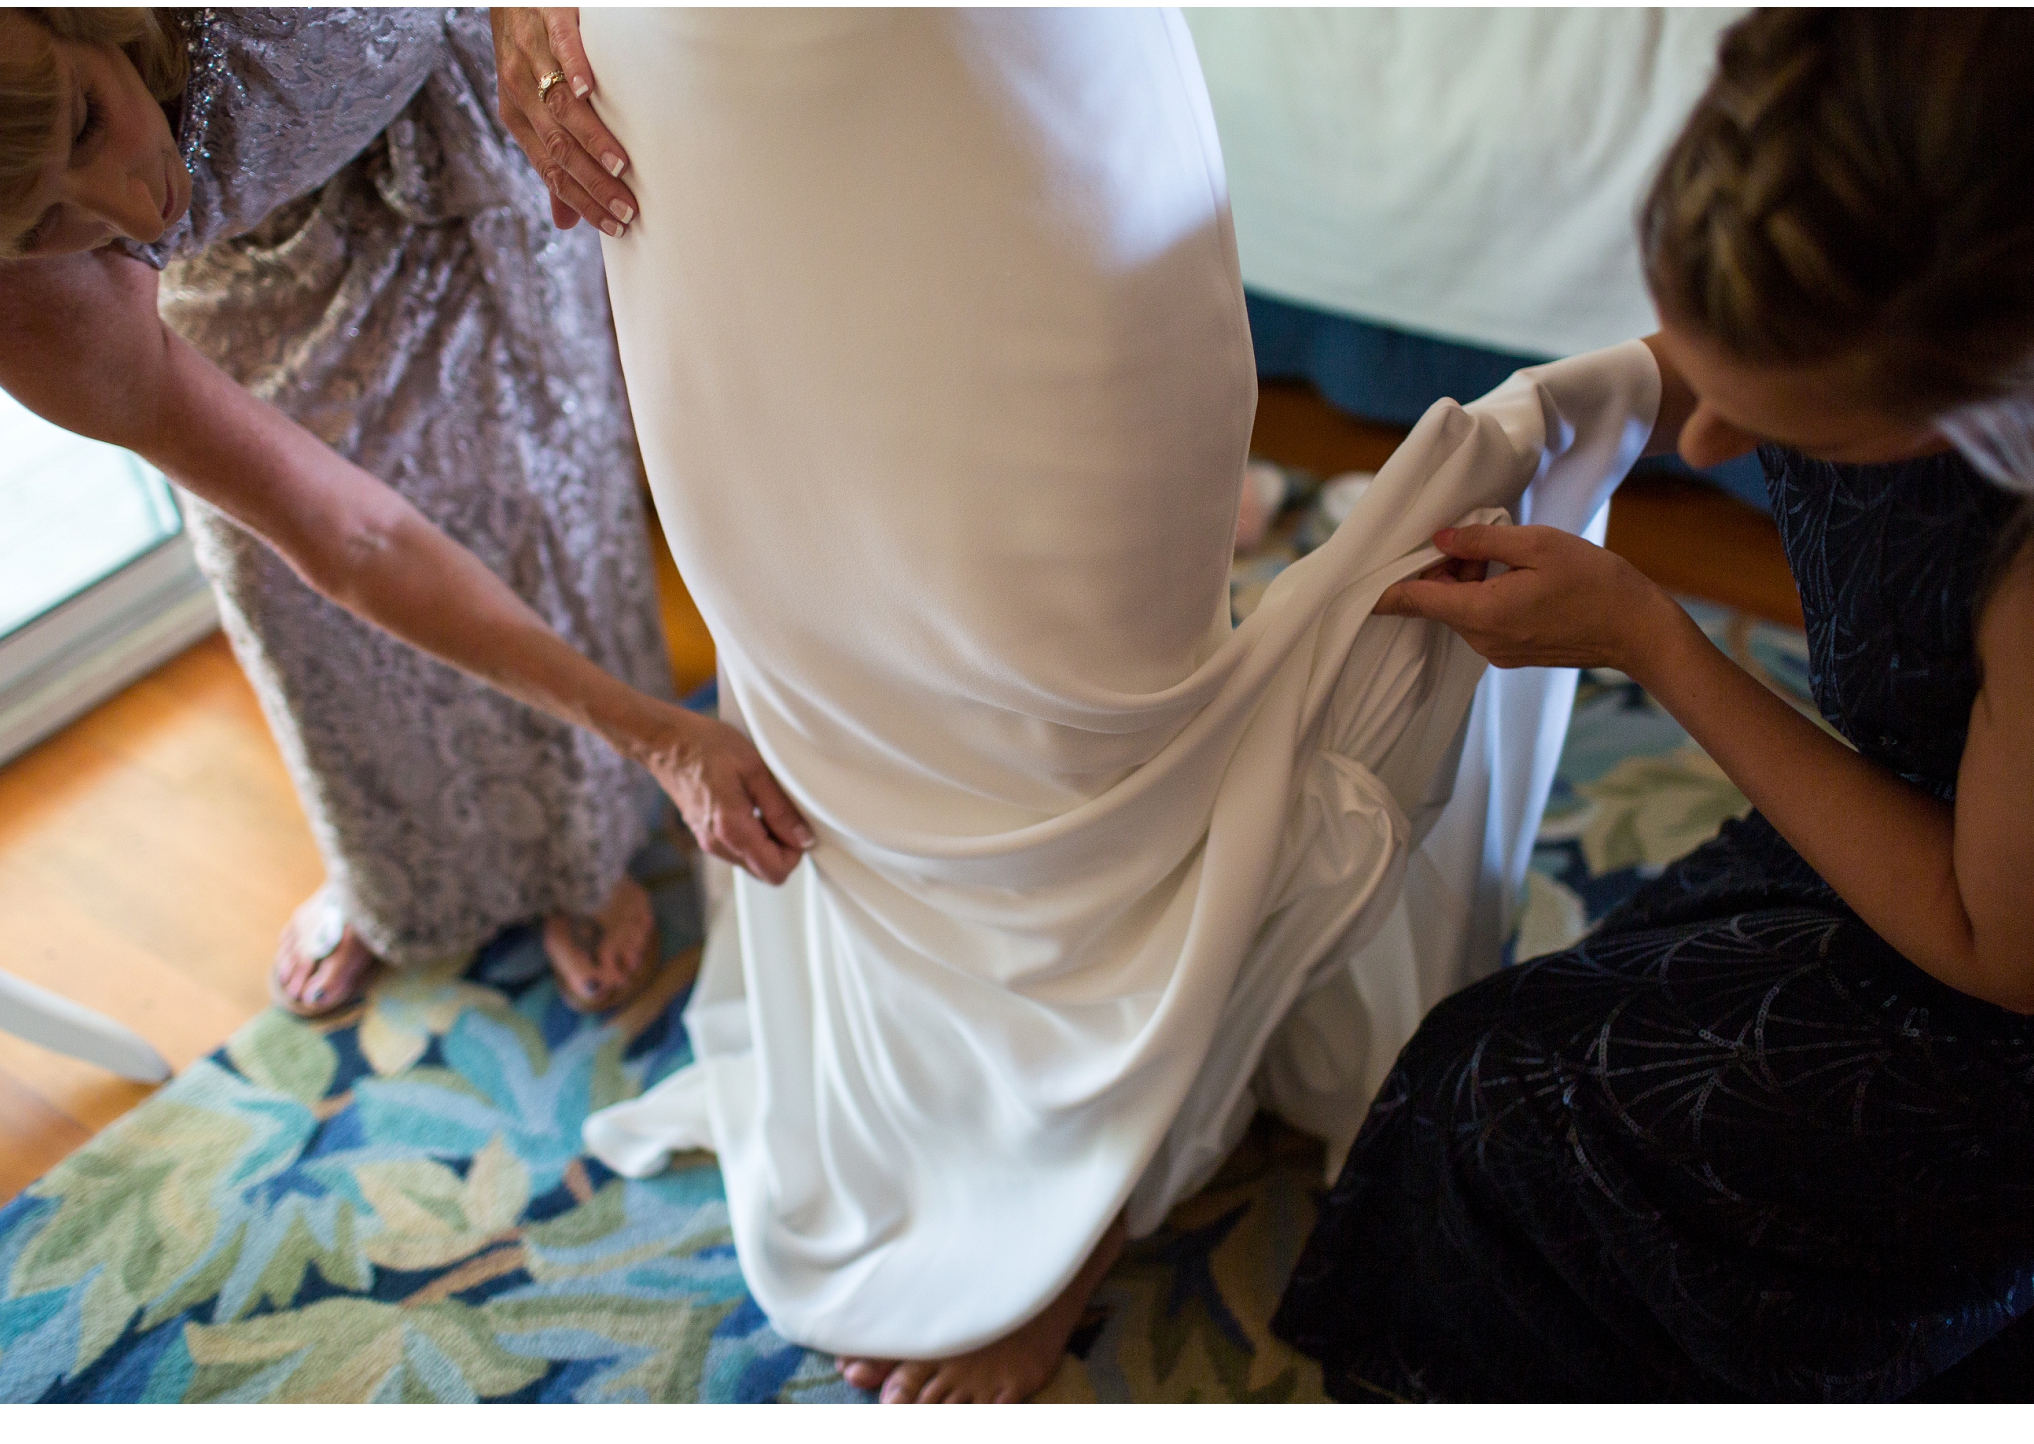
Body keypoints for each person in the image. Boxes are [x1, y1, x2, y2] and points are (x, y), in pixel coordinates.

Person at [500, 8, 1668, 1402]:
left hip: (990, 86)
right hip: (703, 130)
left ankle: (1079, 1188)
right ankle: (950, 1116)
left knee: (1070, 713)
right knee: (839, 693)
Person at [1272, 7, 2034, 1401]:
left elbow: (2001, 951)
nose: (1704, 447)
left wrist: (1652, 640)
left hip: (2003, 1002)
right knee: (1536, 1035)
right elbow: (1719, 357)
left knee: (1496, 1100)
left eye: (1783, 428)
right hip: (1928, 800)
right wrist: (1565, 408)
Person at [0, 7, 812, 1019]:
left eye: (88, 123)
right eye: (38, 223)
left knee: (532, 502)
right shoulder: (14, 295)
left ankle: (577, 854)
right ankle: (394, 881)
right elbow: (348, 535)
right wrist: (661, 735)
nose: (131, 208)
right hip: (245, 279)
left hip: (462, 143)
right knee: (287, 594)